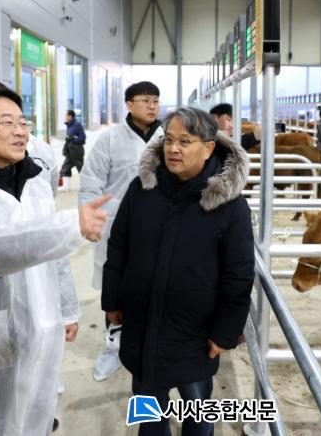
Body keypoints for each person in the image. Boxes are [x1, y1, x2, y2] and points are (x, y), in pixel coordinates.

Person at [0, 87, 110, 435]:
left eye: (23, 122)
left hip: (43, 325)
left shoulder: (35, 183)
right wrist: (69, 226)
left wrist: (67, 309)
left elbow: (53, 255)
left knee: (36, 416)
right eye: (7, 122)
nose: (21, 132)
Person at [102, 107, 254, 436]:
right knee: (148, 410)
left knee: (197, 409)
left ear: (209, 148)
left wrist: (225, 331)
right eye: (169, 139)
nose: (173, 148)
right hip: (142, 324)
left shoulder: (229, 205)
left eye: (185, 141)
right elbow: (119, 245)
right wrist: (112, 299)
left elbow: (239, 274)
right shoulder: (142, 189)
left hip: (195, 333)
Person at [79, 81, 164, 382]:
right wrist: (90, 220)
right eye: (145, 100)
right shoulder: (110, 140)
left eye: (155, 100)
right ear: (129, 104)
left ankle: (154, 346)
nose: (152, 106)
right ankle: (114, 348)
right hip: (117, 228)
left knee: (157, 287)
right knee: (115, 290)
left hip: (161, 227)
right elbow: (91, 182)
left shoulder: (169, 137)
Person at [60, 110, 86, 183]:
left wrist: (73, 140)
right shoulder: (69, 126)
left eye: (66, 115)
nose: (65, 117)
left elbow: (83, 137)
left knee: (81, 169)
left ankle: (88, 184)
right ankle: (66, 186)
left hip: (77, 153)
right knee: (65, 169)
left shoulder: (77, 125)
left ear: (70, 116)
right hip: (69, 153)